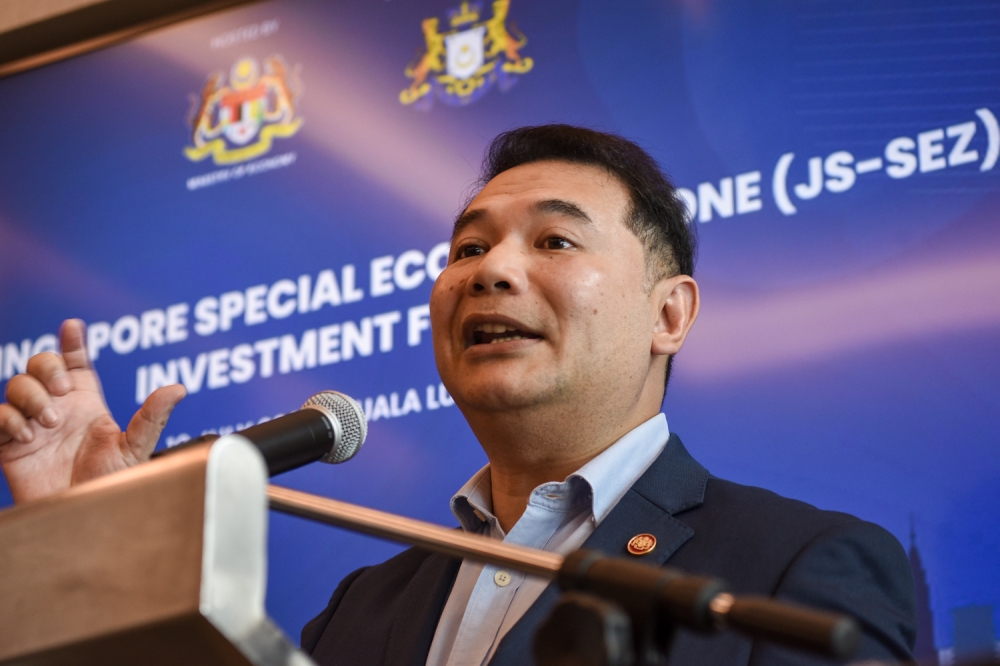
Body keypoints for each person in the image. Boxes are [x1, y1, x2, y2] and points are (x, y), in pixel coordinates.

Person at [0, 125, 915, 665]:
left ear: (668, 314)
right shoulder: (364, 607)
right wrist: (90, 548)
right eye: (468, 250)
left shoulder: (798, 568)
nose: (491, 273)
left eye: (554, 243)